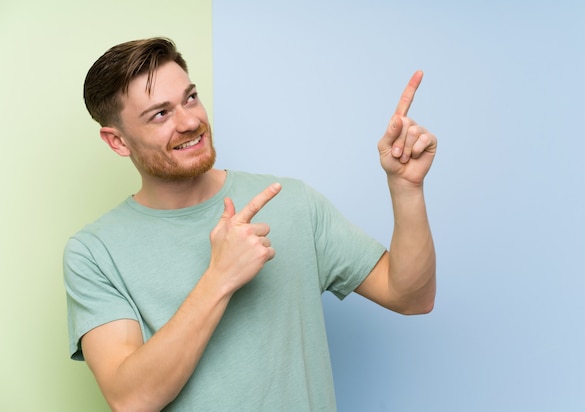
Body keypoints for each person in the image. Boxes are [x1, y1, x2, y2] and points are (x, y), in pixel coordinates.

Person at [64, 37, 437, 411]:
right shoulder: (94, 252)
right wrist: (220, 277)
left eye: (190, 98)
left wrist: (406, 189)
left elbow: (411, 297)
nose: (191, 121)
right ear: (117, 142)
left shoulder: (292, 202)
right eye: (160, 114)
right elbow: (131, 400)